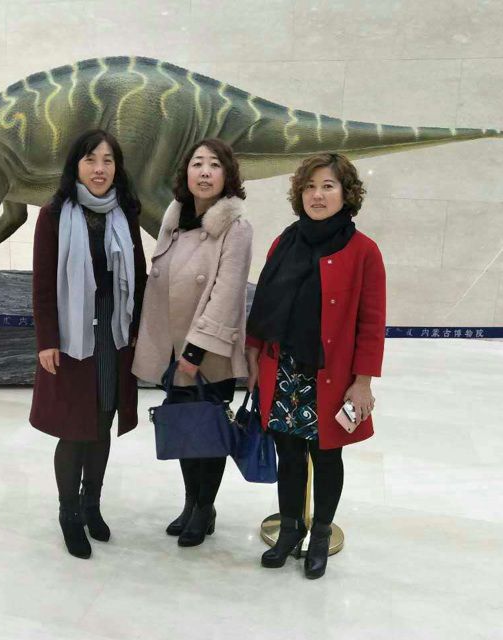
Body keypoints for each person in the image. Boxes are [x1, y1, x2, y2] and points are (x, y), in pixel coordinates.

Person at [246, 153, 386, 579]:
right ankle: (291, 528)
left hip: (331, 376)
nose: (317, 195)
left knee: (326, 456)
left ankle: (320, 533)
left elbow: (371, 322)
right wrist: (252, 355)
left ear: (347, 193)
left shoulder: (364, 251)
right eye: (309, 186)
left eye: (328, 186)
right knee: (288, 453)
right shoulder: (284, 242)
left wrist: (363, 382)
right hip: (283, 369)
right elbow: (264, 304)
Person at [30, 129, 146, 559]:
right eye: (90, 159)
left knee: (102, 422)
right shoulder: (53, 215)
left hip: (113, 335)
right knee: (73, 428)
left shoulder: (125, 212)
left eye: (108, 160)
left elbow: (138, 273)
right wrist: (47, 340)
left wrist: (137, 326)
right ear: (75, 166)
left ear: (117, 168)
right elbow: (43, 284)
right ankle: (69, 512)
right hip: (72, 336)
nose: (100, 169)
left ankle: (92, 505)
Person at [132, 138, 252, 547]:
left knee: (209, 432)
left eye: (214, 165)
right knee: (186, 429)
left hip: (207, 351)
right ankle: (190, 503)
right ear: (185, 173)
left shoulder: (236, 227)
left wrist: (195, 350)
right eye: (197, 163)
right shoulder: (176, 219)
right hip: (173, 346)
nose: (204, 172)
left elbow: (227, 292)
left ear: (227, 175)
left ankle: (205, 508)